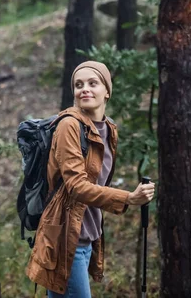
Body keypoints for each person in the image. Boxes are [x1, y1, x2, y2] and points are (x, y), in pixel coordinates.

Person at [26, 61, 155, 297]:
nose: (84, 89)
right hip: (65, 239)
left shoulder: (108, 128)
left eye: (92, 83)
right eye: (78, 84)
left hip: (87, 236)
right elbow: (76, 187)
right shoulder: (69, 126)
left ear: (107, 91)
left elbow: (97, 184)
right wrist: (129, 197)